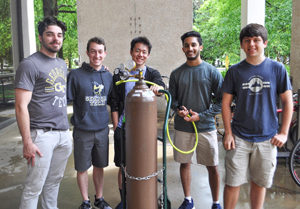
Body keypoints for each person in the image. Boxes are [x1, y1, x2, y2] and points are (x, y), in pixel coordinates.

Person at [222, 23, 293, 209]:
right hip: (239, 138)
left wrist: (284, 133)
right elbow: (225, 104)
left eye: (256, 40)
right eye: (247, 41)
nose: (251, 44)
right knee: (232, 182)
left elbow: (287, 102)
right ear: (242, 45)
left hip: (267, 138)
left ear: (265, 43)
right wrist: (228, 133)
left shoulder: (277, 69)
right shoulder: (234, 71)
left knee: (260, 183)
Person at [15, 16, 73, 209]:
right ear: (41, 37)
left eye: (59, 35)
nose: (56, 39)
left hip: (63, 134)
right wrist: (27, 141)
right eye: (50, 34)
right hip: (41, 136)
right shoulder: (29, 64)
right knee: (34, 187)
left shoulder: (61, 65)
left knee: (53, 183)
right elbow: (21, 106)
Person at [169, 31, 223, 209]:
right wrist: (180, 111)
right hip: (183, 127)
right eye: (187, 45)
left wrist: (202, 115)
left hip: (206, 127)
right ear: (183, 48)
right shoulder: (176, 74)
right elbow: (173, 100)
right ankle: (188, 200)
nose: (190, 48)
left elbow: (222, 101)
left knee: (212, 166)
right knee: (185, 164)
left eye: (193, 45)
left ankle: (216, 203)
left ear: (200, 46)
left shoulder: (212, 72)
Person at [110, 36, 165, 209]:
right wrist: (117, 127)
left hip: (143, 131)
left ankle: (143, 197)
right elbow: (113, 101)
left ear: (148, 55)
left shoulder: (152, 74)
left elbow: (162, 88)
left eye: (144, 52)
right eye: (137, 51)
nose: (140, 54)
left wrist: (157, 89)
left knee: (143, 164)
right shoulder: (122, 74)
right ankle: (125, 200)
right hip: (124, 127)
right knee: (122, 165)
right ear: (131, 52)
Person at [67, 37, 113, 209]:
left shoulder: (108, 77)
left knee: (100, 166)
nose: (96, 55)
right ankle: (85, 201)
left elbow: (112, 102)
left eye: (100, 51)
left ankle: (99, 198)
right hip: (82, 130)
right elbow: (66, 100)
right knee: (82, 168)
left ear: (105, 54)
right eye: (93, 51)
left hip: (102, 130)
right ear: (87, 53)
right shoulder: (75, 75)